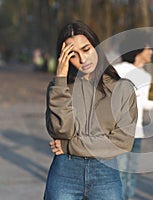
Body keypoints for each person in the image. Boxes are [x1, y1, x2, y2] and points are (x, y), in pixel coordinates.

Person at [44, 20, 138, 200]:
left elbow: (122, 142)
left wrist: (70, 146)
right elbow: (62, 130)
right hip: (65, 172)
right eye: (72, 55)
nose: (83, 59)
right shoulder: (58, 89)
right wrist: (60, 80)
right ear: (64, 59)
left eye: (86, 49)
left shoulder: (122, 89)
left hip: (106, 173)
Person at [113, 30, 153, 200]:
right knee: (120, 173)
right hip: (119, 131)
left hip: (137, 132)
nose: (152, 51)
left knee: (131, 173)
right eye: (148, 48)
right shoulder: (117, 70)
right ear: (138, 50)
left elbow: (143, 104)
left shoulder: (146, 75)